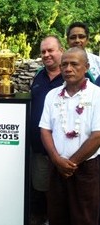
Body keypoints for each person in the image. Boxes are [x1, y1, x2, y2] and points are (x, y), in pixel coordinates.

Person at [39, 47, 100, 225]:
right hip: (57, 167)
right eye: (64, 64)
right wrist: (57, 161)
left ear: (86, 66)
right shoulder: (52, 95)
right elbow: (45, 130)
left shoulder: (97, 95)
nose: (68, 68)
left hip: (86, 169)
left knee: (85, 217)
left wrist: (71, 163)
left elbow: (97, 135)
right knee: (57, 215)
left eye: (74, 64)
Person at [30, 35, 64, 225]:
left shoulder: (73, 75)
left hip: (64, 148)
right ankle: (46, 218)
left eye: (51, 50)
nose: (47, 54)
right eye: (43, 51)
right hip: (40, 148)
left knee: (62, 187)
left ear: (61, 50)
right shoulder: (38, 76)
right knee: (43, 186)